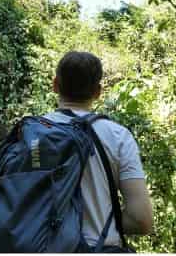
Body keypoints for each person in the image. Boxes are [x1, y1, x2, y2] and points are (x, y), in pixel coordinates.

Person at [46, 51, 154, 247]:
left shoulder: (29, 133)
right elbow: (142, 220)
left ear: (55, 85)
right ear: (98, 91)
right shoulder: (118, 136)